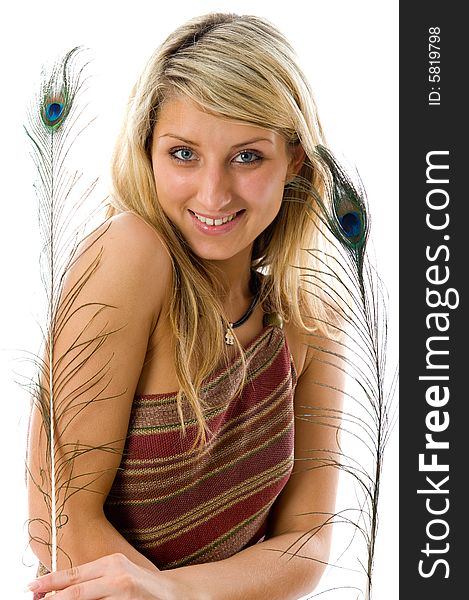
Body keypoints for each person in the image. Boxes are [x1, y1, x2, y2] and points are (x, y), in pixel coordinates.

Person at [26, 12, 344, 600]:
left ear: (296, 158)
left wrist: (175, 593)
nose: (213, 193)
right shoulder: (129, 255)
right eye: (183, 154)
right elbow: (57, 523)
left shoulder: (310, 315)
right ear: (147, 150)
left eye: (248, 157)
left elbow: (308, 541)